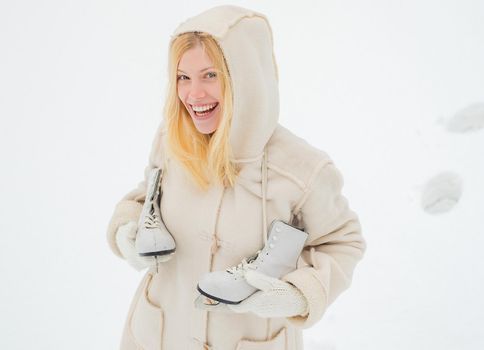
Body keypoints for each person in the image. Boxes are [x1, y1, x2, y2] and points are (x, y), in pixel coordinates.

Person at [106, 5, 366, 350]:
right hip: (158, 335)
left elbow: (343, 242)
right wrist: (128, 232)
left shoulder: (303, 169)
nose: (193, 94)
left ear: (245, 77)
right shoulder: (172, 140)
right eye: (184, 77)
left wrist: (298, 294)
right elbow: (146, 197)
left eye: (210, 75)